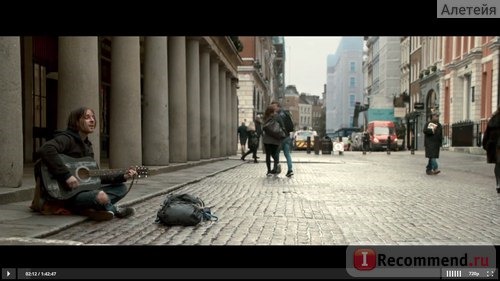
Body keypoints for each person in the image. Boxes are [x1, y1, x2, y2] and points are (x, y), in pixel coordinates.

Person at [30, 107, 137, 221]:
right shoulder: (66, 139)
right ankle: (112, 209)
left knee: (121, 188)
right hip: (66, 195)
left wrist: (122, 175)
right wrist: (66, 176)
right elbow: (46, 149)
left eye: (93, 117)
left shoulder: (87, 146)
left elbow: (94, 176)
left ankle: (92, 207)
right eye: (87, 117)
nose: (92, 120)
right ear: (76, 122)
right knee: (100, 196)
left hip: (82, 192)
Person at [271, 101, 294, 177]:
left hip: (280, 137)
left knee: (275, 153)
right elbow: (291, 126)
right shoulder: (286, 114)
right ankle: (290, 170)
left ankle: (276, 168)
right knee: (287, 154)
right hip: (287, 136)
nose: (273, 108)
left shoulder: (277, 115)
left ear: (278, 107)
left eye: (274, 106)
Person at [482, 106, 500, 193]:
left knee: (498, 164)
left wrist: (485, 144)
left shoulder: (493, 119)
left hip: (494, 145)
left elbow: (486, 134)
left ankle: (498, 183)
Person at [262, 105, 284, 176]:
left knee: (268, 155)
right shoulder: (276, 116)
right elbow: (281, 125)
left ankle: (268, 171)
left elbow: (263, 127)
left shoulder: (265, 117)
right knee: (274, 154)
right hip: (275, 138)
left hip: (267, 139)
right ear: (273, 111)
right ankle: (277, 165)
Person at [423, 111, 443, 175]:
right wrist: (432, 130)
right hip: (429, 143)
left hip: (436, 144)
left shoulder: (439, 125)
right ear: (432, 116)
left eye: (438, 116)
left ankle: (428, 169)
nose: (437, 117)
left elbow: (440, 135)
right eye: (436, 116)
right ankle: (435, 168)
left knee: (431, 157)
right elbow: (425, 131)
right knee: (432, 156)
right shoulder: (428, 123)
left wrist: (440, 143)